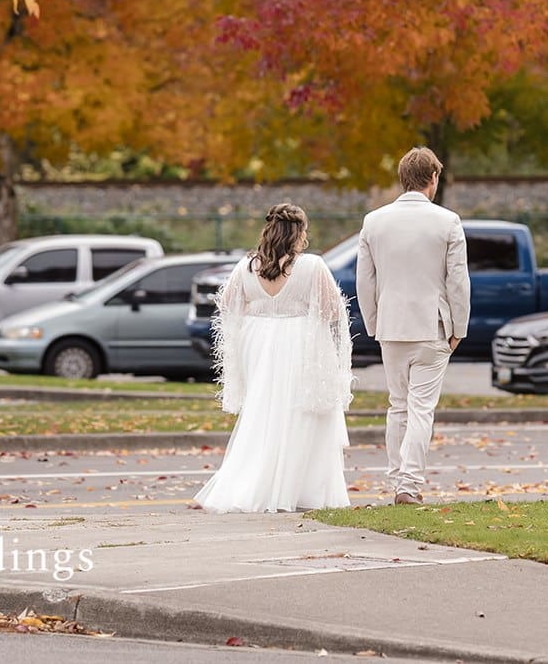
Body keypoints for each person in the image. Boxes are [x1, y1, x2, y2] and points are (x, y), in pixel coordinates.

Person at [194, 203, 355, 513]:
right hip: (299, 343)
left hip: (259, 343)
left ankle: (255, 482)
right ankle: (298, 489)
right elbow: (333, 311)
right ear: (298, 233)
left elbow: (226, 304)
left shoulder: (247, 267)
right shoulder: (312, 266)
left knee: (264, 411)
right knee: (301, 413)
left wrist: (260, 314)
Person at [355, 146, 470, 505]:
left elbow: (365, 282)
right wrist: (459, 328)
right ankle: (409, 483)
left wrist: (373, 324)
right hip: (433, 326)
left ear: (403, 178)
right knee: (421, 409)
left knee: (398, 407)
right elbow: (458, 281)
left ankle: (397, 479)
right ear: (433, 178)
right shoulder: (448, 221)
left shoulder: (374, 222)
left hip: (391, 326)